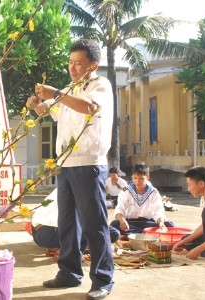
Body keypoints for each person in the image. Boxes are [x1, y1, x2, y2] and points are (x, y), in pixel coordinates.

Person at [26, 39, 114, 300]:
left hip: (89, 164)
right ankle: (69, 272)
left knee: (94, 225)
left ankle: (103, 280)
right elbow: (49, 112)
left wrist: (56, 94)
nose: (72, 68)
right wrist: (36, 106)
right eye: (70, 62)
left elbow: (89, 108)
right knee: (67, 223)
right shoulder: (69, 89)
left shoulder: (101, 86)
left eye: (78, 63)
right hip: (65, 164)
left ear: (93, 65)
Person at [31, 188, 121, 252]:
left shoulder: (62, 188)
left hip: (39, 233)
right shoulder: (79, 191)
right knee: (95, 233)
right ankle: (72, 253)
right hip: (49, 234)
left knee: (111, 233)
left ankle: (65, 247)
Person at [110, 162, 174, 237]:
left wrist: (161, 223)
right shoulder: (126, 191)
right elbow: (120, 208)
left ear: (147, 176)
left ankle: (137, 234)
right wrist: (122, 220)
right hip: (130, 223)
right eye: (135, 178)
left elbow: (158, 210)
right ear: (132, 177)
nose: (137, 181)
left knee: (170, 225)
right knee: (114, 224)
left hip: (149, 223)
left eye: (141, 178)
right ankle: (145, 234)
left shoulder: (153, 192)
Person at [173, 166, 205, 259]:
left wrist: (198, 250)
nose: (188, 189)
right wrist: (185, 241)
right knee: (187, 238)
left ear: (201, 183)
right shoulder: (204, 197)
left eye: (189, 185)